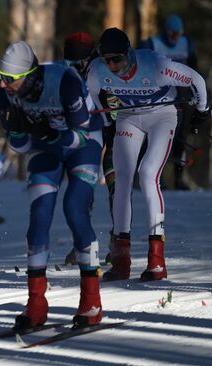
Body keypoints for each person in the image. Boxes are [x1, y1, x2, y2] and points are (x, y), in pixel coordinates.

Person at [0, 41, 103, 329]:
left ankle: (91, 301)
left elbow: (80, 136)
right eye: (0, 75)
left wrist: (50, 134)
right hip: (46, 148)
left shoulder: (64, 81)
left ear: (29, 75)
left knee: (74, 208)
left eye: (10, 79)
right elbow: (20, 146)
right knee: (39, 216)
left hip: (84, 144)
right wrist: (18, 130)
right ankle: (36, 304)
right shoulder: (1, 92)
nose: (3, 84)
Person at [87, 28, 209, 282]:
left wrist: (201, 109)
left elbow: (195, 79)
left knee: (147, 174)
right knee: (122, 181)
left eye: (117, 59)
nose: (112, 66)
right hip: (128, 118)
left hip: (162, 116)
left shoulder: (156, 66)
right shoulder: (97, 71)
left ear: (129, 54)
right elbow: (95, 97)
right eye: (107, 59)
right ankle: (121, 260)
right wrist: (108, 118)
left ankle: (156, 261)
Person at [59, 32, 117, 266]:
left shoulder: (105, 69)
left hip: (114, 131)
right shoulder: (67, 77)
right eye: (69, 64)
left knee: (115, 183)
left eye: (78, 63)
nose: (74, 68)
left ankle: (119, 243)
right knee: (83, 185)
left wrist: (114, 109)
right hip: (88, 131)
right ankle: (80, 243)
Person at [139, 15, 199, 190]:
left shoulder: (186, 43)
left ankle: (179, 178)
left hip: (181, 96)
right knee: (154, 136)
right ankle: (152, 176)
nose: (174, 37)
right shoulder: (152, 43)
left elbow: (194, 69)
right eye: (171, 33)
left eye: (178, 33)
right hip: (159, 96)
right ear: (165, 31)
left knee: (180, 137)